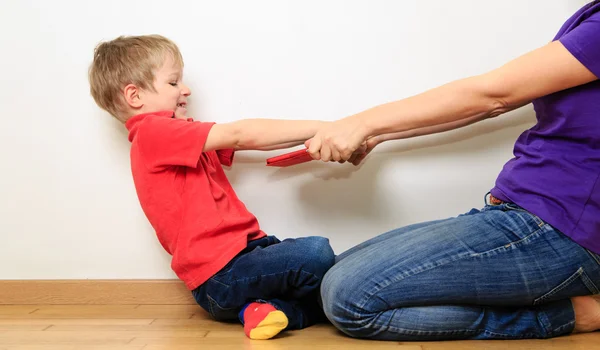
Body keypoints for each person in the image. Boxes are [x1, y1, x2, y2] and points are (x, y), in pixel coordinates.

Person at [308, 1, 600, 340]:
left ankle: (570, 316)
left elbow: (495, 95)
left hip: (562, 230)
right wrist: (376, 133)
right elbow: (491, 106)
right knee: (329, 275)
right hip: (522, 214)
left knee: (350, 298)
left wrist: (362, 122)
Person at [88, 34, 335, 340]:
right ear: (135, 96)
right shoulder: (153, 132)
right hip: (222, 276)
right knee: (317, 253)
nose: (186, 90)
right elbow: (241, 134)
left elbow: (251, 145)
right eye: (174, 82)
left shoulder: (179, 133)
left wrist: (312, 144)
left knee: (333, 280)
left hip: (244, 260)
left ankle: (263, 311)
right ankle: (267, 306)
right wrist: (325, 127)